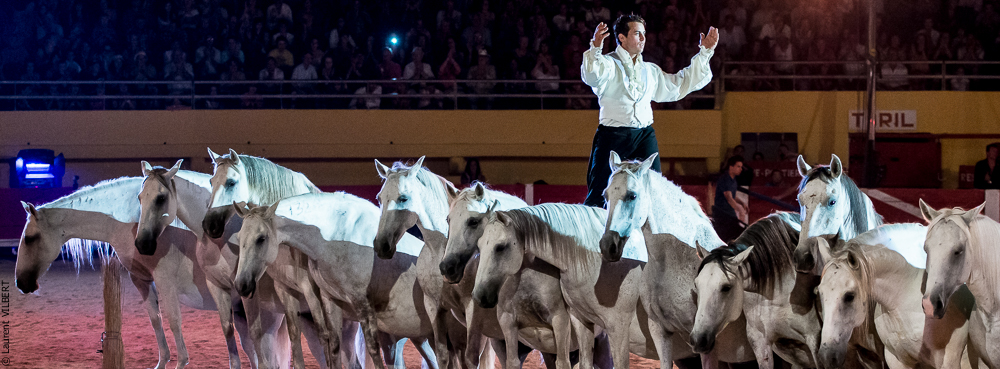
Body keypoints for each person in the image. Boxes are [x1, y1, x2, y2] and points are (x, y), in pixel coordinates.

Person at [581, 14, 718, 207]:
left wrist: (705, 53)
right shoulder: (609, 64)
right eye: (637, 34)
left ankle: (651, 235)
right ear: (622, 38)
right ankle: (592, 235)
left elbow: (678, 86)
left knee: (655, 189)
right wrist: (595, 48)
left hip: (644, 136)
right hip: (613, 136)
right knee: (599, 193)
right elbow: (592, 76)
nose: (643, 38)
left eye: (644, 34)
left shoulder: (649, 70)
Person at [713, 155, 748, 242]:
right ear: (731, 167)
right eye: (738, 166)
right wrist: (739, 209)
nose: (741, 169)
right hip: (723, 213)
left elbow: (733, 196)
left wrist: (742, 203)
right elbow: (729, 198)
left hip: (729, 213)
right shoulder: (725, 179)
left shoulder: (733, 180)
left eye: (741, 167)